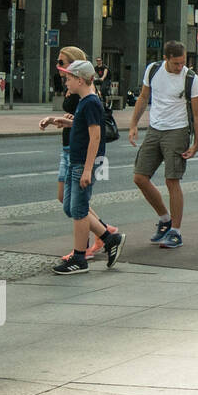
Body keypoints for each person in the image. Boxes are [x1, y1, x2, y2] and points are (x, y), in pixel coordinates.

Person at [39, 44, 121, 264]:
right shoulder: (84, 100)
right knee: (70, 205)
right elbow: (82, 124)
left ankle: (80, 256)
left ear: (80, 79)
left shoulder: (90, 101)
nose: (64, 80)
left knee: (78, 208)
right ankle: (108, 237)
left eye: (68, 76)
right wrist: (63, 121)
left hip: (83, 160)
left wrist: (87, 169)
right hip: (74, 155)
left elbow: (95, 137)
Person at [129, 40, 198, 250]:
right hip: (155, 129)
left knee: (172, 180)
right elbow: (143, 97)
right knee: (140, 177)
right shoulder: (153, 70)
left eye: (182, 63)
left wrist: (196, 142)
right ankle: (164, 219)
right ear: (166, 59)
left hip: (177, 131)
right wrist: (134, 124)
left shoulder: (191, 78)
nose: (180, 67)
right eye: (176, 63)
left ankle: (176, 232)